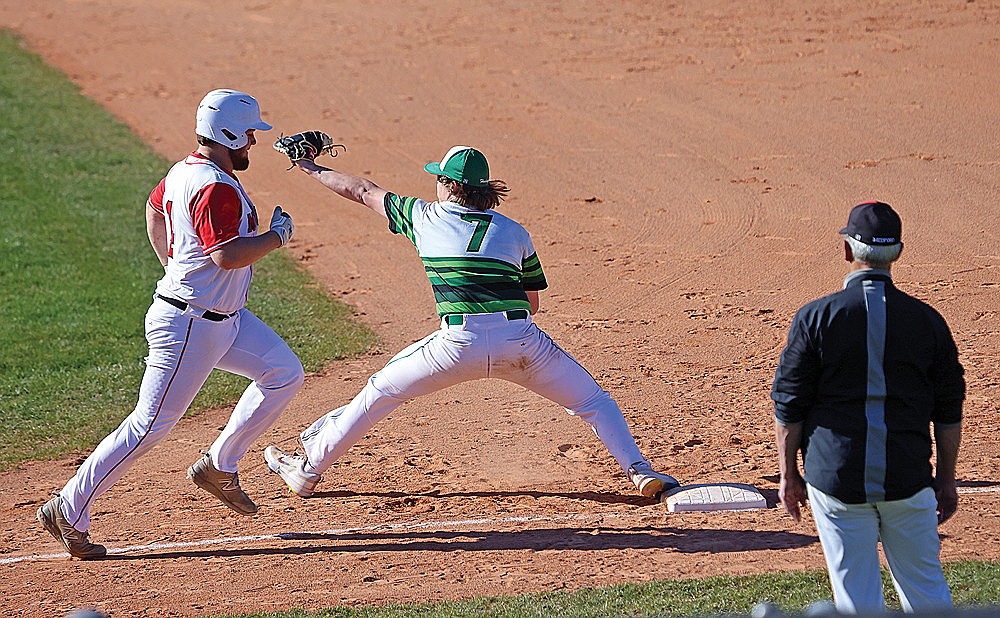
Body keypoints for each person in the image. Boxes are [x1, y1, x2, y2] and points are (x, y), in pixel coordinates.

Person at [264, 142, 678, 499]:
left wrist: (310, 166)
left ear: (447, 185)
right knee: (592, 402)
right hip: (522, 343)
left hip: (456, 345)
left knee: (380, 392)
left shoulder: (423, 216)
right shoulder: (515, 232)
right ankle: (639, 470)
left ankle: (307, 470)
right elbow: (532, 302)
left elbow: (361, 190)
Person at [36, 89, 305, 559]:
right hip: (190, 326)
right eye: (248, 136)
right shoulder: (216, 187)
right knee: (151, 424)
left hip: (224, 320)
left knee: (283, 372)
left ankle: (220, 466)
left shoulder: (185, 170)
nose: (253, 145)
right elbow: (226, 255)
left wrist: (172, 264)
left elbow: (153, 207)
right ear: (229, 135)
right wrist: (275, 238)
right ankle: (68, 506)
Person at [772, 201, 965, 613]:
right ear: (898, 253)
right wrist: (946, 480)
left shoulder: (815, 317)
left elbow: (789, 406)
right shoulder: (928, 321)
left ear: (847, 250)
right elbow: (949, 410)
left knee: (855, 601)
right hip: (907, 477)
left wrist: (789, 475)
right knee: (927, 593)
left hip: (835, 480)